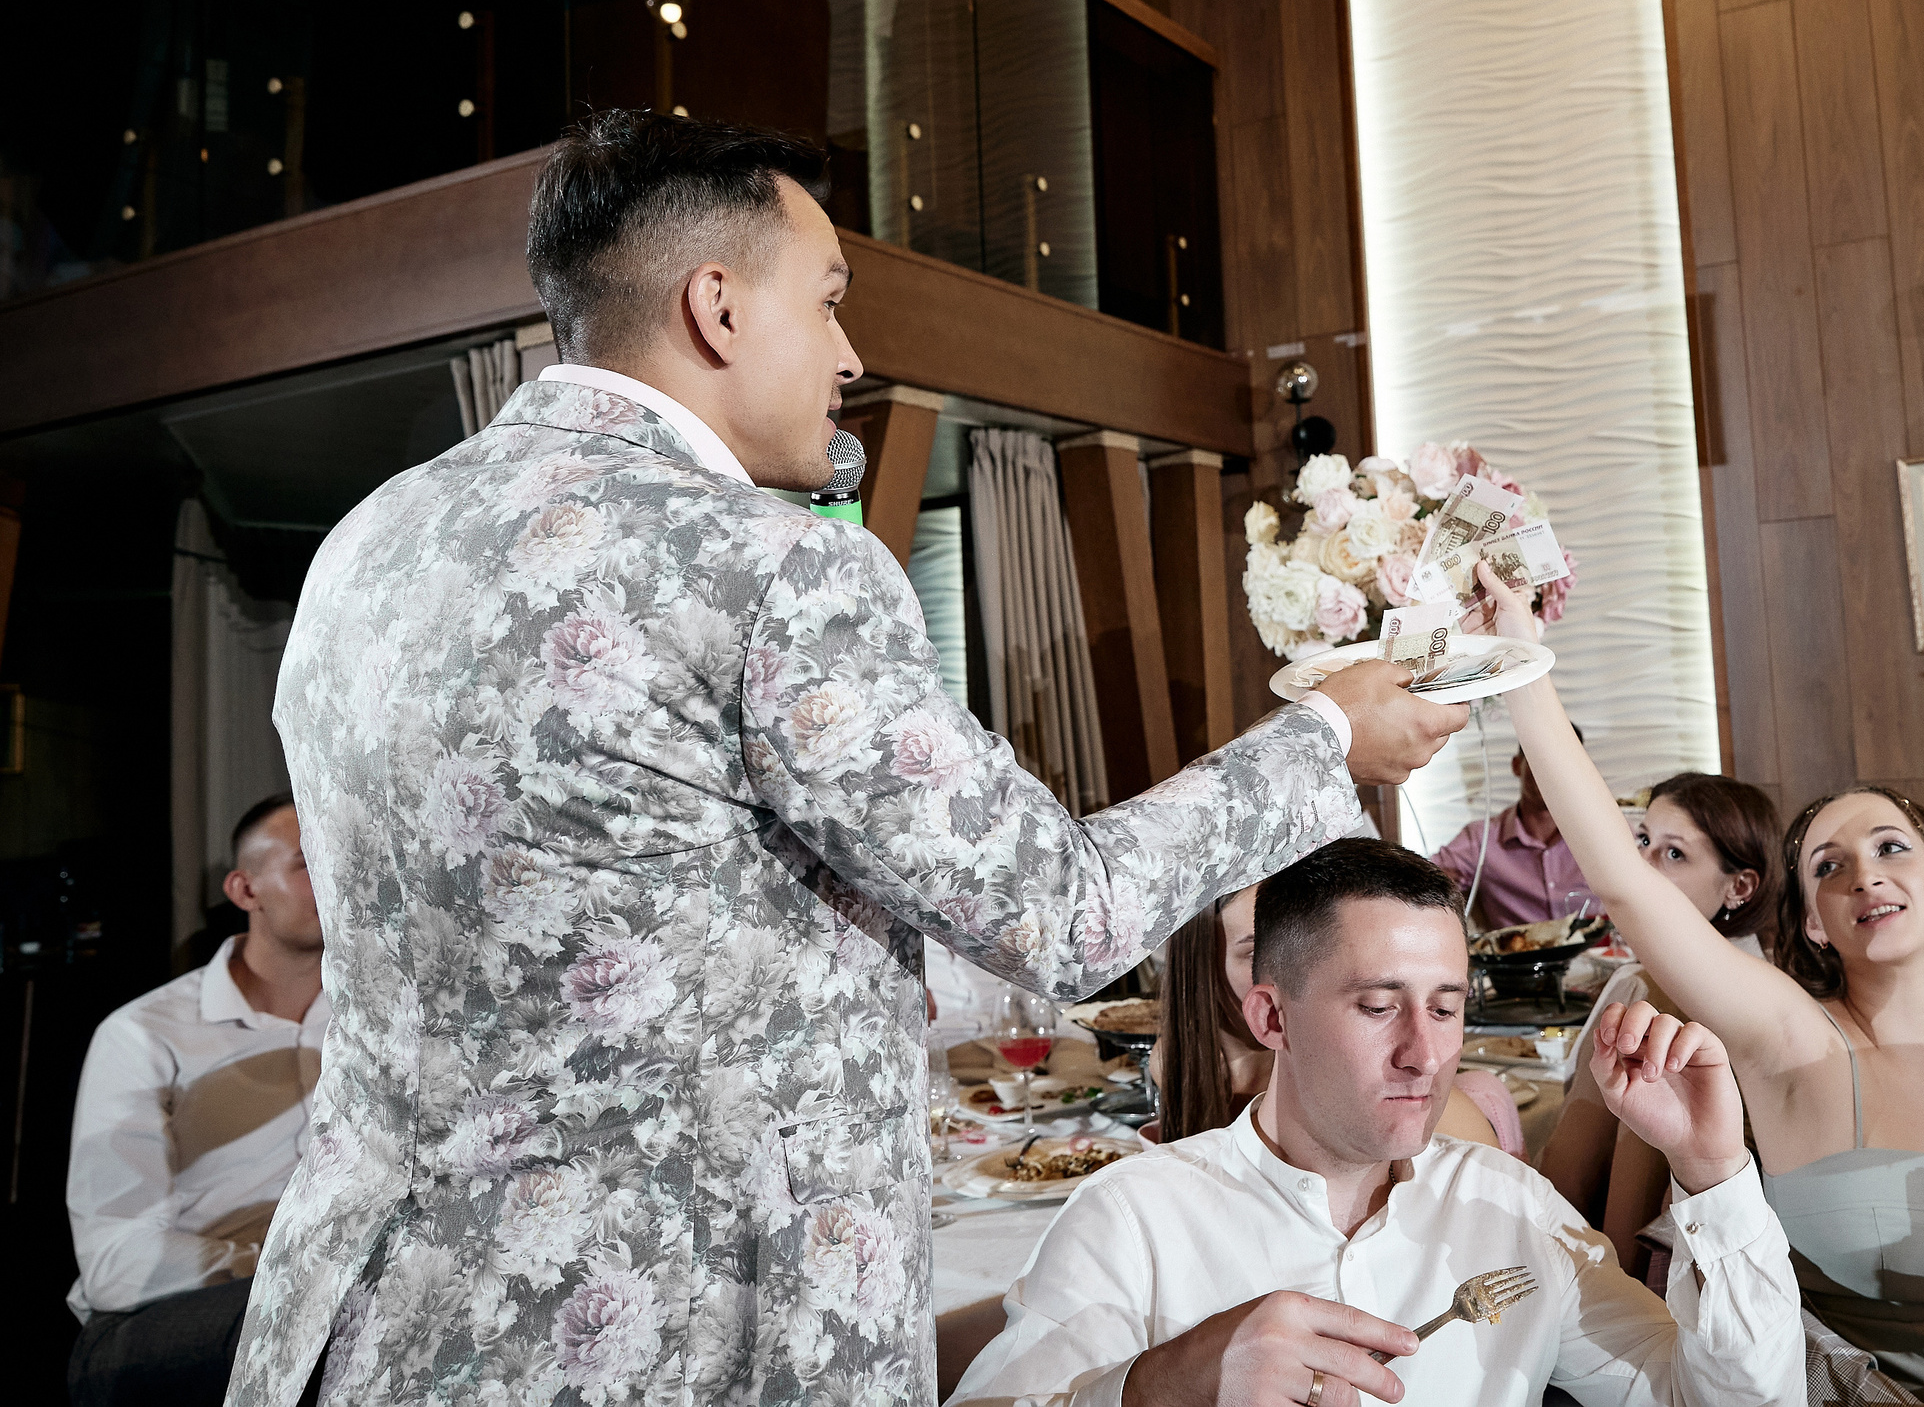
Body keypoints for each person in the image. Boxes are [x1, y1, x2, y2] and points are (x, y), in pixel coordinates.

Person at [225, 111, 1467, 1407]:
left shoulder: (368, 544)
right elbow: (1057, 907)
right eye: (825, 303)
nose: (850, 352)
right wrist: (1329, 733)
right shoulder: (771, 565)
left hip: (365, 1324)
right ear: (717, 306)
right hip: (666, 1334)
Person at [1473, 570, 1924, 1404]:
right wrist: (1524, 670)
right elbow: (1625, 885)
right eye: (1830, 867)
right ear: (1817, 922)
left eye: (1891, 848)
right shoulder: (1789, 1037)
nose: (1866, 874)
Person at [948, 839, 1806, 1407]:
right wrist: (1164, 1385)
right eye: (1376, 1006)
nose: (1423, 1054)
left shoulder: (1511, 1211)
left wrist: (1716, 1174)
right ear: (1271, 1018)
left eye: (1444, 1008)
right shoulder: (1135, 1215)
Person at [65, 795, 326, 1407]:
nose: (340, 876)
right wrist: (290, 1270)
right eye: (309, 862)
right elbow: (117, 1262)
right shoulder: (144, 1035)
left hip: (339, 1299)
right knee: (333, 1330)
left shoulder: (384, 1022)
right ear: (244, 890)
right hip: (158, 1320)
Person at [1542, 773, 1782, 1272]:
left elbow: (1572, 1182)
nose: (1642, 867)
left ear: (1740, 886)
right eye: (1644, 841)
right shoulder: (1764, 979)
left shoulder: (1657, 991)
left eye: (1675, 854)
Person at [1155, 883, 1517, 1152]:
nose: (1295, 972)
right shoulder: (1174, 1065)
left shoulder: (1437, 1120)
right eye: (1260, 952)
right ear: (1201, 959)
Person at [1427, 724, 1593, 930]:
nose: (1551, 770)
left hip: (1600, 959)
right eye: (1539, 758)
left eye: (1565, 761)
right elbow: (1428, 884)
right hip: (1516, 958)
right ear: (1517, 765)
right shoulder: (1482, 838)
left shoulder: (1603, 837)